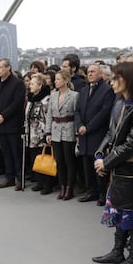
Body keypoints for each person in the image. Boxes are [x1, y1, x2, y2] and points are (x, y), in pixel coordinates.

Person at [92, 62, 133, 264]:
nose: (112, 82)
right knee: (118, 208)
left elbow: (131, 145)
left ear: (128, 79)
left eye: (116, 77)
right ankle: (118, 251)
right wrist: (100, 155)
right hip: (117, 168)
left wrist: (106, 162)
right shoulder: (120, 103)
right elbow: (110, 133)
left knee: (131, 211)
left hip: (132, 171)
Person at [75, 64, 115, 206]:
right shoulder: (84, 90)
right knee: (86, 164)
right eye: (88, 72)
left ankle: (102, 194)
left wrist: (88, 127)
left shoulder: (107, 90)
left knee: (99, 164)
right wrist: (79, 125)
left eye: (93, 71)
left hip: (97, 133)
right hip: (83, 134)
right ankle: (90, 191)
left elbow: (104, 113)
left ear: (100, 74)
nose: (90, 74)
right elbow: (78, 110)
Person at [0, 58, 26, 191]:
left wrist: (3, 115)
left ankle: (19, 179)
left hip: (13, 124)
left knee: (16, 153)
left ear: (8, 68)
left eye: (0, 67)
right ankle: (9, 178)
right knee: (6, 153)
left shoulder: (17, 84)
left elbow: (17, 103)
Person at [45, 70, 78, 200]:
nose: (55, 81)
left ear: (66, 80)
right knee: (59, 161)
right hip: (55, 130)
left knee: (69, 161)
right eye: (55, 79)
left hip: (69, 128)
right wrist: (48, 132)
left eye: (58, 79)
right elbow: (49, 115)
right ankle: (62, 186)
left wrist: (76, 134)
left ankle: (70, 188)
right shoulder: (53, 95)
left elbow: (77, 116)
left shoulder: (74, 95)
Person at [25, 73, 53, 194]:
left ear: (40, 85)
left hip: (42, 135)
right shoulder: (31, 98)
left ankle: (47, 185)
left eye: (32, 83)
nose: (29, 85)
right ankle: (39, 182)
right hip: (31, 134)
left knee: (44, 159)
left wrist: (47, 133)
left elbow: (48, 118)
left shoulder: (46, 99)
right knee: (35, 159)